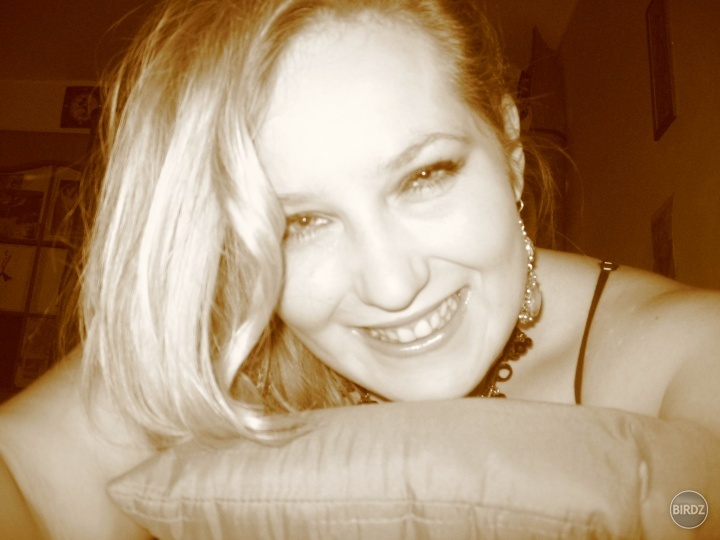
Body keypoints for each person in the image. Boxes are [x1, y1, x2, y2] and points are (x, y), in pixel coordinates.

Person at [1, 0, 719, 537]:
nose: (392, 286)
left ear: (510, 149)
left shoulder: (687, 355)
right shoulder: (239, 351)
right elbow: (26, 476)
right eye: (300, 223)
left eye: (425, 176)